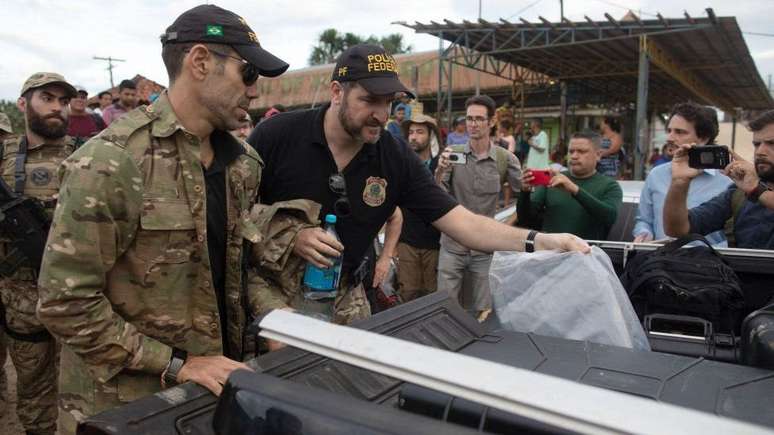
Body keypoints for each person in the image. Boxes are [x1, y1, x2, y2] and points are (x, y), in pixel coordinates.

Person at [35, 5, 290, 433]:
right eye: (248, 74)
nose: (254, 93)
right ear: (200, 62)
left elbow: (236, 270)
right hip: (129, 408)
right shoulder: (111, 161)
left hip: (216, 396)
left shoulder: (243, 165)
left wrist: (279, 322)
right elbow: (65, 304)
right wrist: (177, 364)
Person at [247, 44, 588, 325]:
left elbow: (464, 224)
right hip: (270, 292)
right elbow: (234, 217)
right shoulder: (276, 136)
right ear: (337, 92)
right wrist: (293, 236)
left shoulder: (393, 155)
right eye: (369, 100)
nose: (382, 114)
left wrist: (541, 241)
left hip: (343, 296)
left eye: (389, 102)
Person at [0, 72, 79, 435]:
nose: (57, 107)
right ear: (23, 104)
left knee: (80, 394)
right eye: (46, 98)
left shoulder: (88, 154)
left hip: (80, 302)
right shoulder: (5, 156)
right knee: (33, 393)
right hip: (22, 302)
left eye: (63, 101)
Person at [435, 94, 522, 322]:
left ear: (491, 122)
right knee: (446, 310)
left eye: (479, 119)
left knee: (483, 313)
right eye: (469, 118)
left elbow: (526, 198)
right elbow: (436, 197)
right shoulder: (454, 153)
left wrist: (503, 227)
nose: (472, 124)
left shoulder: (505, 159)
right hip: (452, 246)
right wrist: (440, 171)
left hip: (484, 250)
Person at [663, 110, 774, 249]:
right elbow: (677, 229)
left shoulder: (753, 188)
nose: (760, 151)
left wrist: (756, 189)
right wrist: (679, 183)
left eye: (771, 143)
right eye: (757, 144)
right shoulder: (738, 194)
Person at [633, 103, 732, 244]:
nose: (670, 138)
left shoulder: (727, 180)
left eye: (679, 132)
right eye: (669, 130)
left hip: (708, 263)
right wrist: (644, 234)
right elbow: (644, 220)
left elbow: (733, 236)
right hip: (659, 261)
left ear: (703, 138)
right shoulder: (656, 175)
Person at [518, 131, 623, 240]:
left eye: (581, 151)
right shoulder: (553, 179)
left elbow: (610, 218)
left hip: (586, 254)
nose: (574, 156)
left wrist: (575, 190)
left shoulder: (610, 186)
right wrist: (524, 192)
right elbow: (525, 220)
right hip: (549, 254)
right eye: (571, 151)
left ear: (598, 155)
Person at [396, 113, 442, 302]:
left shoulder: (442, 164)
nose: (414, 136)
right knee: (408, 292)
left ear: (431, 136)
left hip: (436, 242)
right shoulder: (402, 164)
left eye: (420, 132)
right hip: (407, 241)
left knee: (432, 294)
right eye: (411, 132)